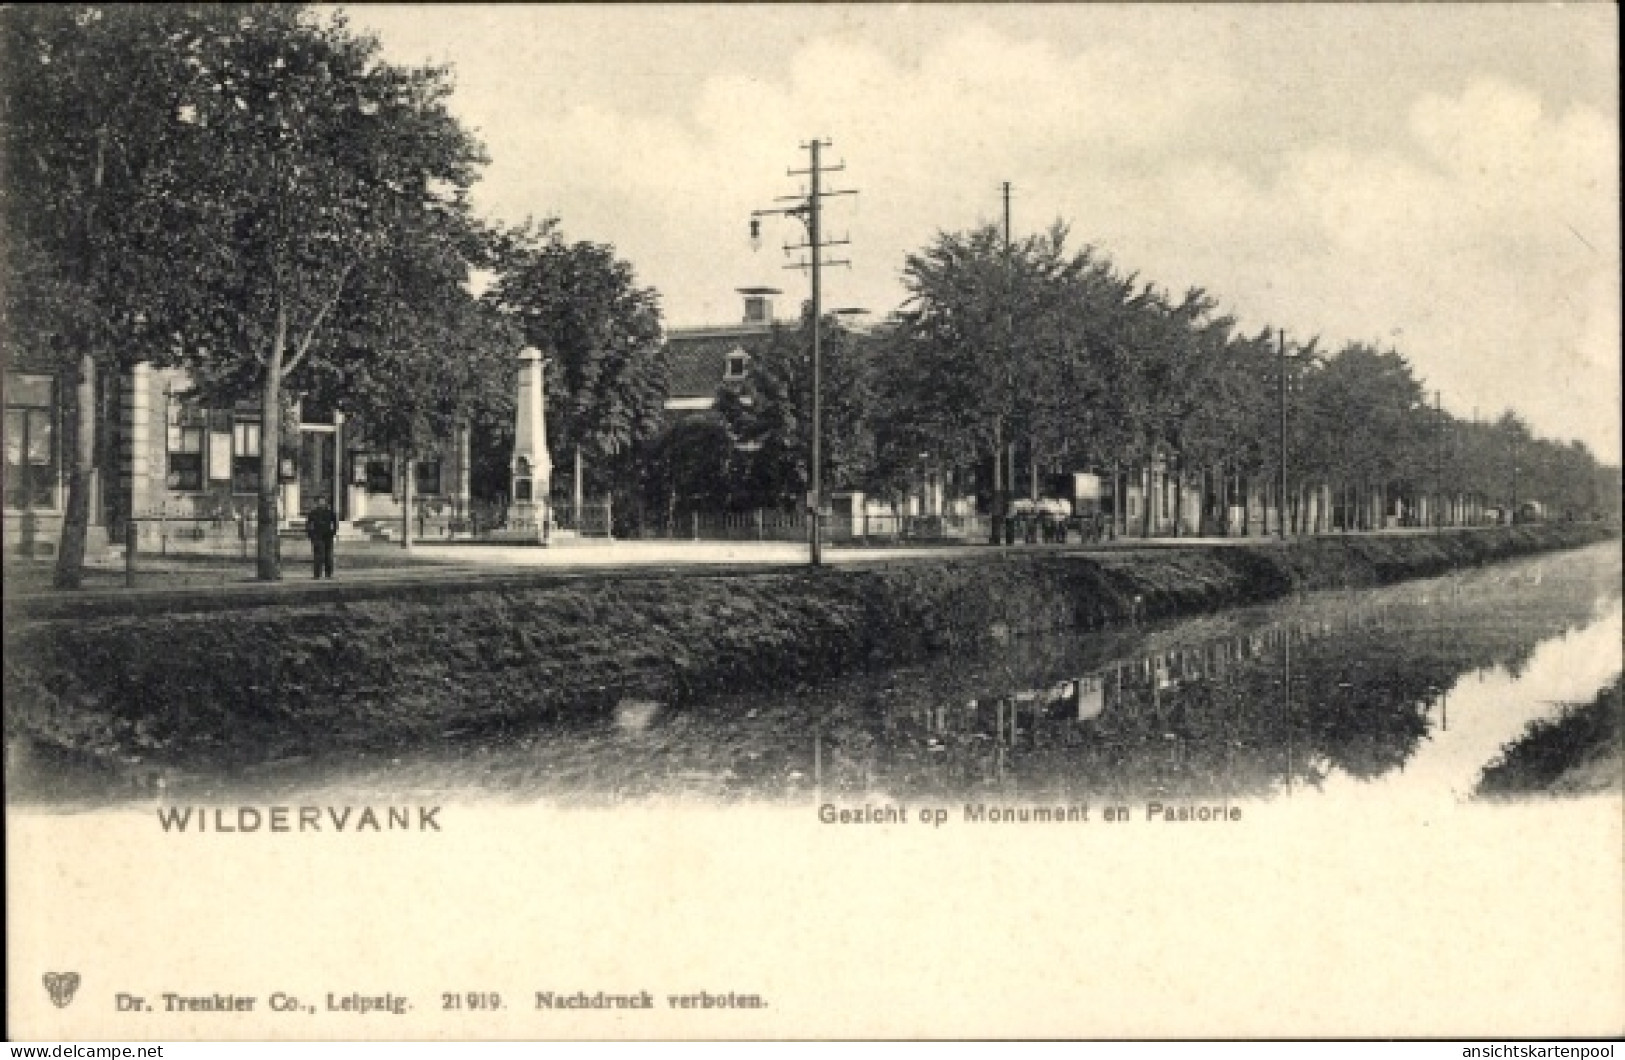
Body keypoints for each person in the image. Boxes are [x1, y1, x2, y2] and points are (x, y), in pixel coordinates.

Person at [306, 495, 339, 579]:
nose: (321, 503)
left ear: (325, 502)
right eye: (319, 501)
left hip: (328, 536)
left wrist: (333, 532)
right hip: (317, 536)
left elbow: (335, 523)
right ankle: (317, 574)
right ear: (316, 503)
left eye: (323, 501)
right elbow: (308, 525)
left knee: (328, 555)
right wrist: (311, 535)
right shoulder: (313, 513)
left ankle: (328, 574)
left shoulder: (330, 513)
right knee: (318, 555)